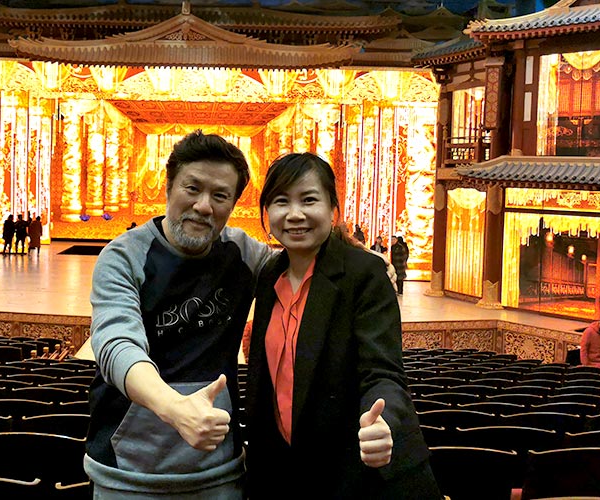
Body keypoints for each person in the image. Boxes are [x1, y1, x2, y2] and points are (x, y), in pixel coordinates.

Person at [85, 130, 273, 498]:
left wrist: (368, 264)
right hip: (127, 474)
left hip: (218, 473)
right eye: (192, 188)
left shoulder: (245, 256)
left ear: (233, 205)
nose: (204, 206)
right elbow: (116, 343)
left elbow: (302, 269)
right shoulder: (124, 257)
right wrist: (174, 408)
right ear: (168, 187)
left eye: (220, 196)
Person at [245, 152, 440, 499]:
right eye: (281, 202)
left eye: (309, 200)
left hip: (352, 473)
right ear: (267, 212)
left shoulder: (364, 274)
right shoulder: (268, 276)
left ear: (333, 209)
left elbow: (383, 372)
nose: (294, 214)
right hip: (286, 474)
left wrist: (383, 421)